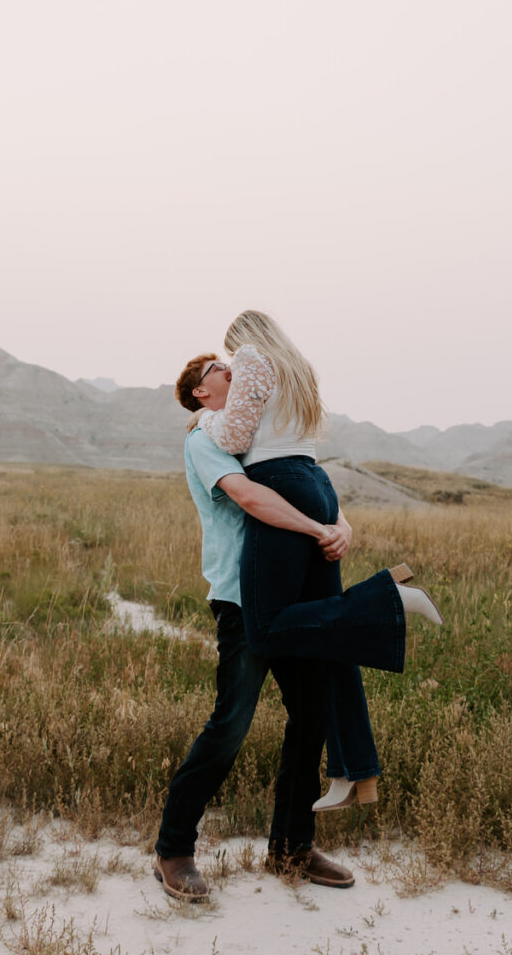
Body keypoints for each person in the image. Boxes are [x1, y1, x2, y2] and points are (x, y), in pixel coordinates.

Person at [197, 311, 443, 811]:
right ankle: (357, 772)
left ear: (242, 339)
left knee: (264, 630)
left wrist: (205, 418)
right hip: (315, 481)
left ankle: (387, 595)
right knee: (334, 640)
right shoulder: (297, 366)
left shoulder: (251, 357)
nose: (228, 362)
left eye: (228, 350)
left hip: (280, 482)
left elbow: (234, 438)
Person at [153, 353, 357, 901]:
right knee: (231, 723)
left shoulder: (252, 437)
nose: (230, 369)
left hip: (291, 596)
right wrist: (318, 529)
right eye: (218, 368)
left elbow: (303, 482)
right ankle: (172, 850)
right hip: (243, 603)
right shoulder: (204, 440)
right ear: (201, 392)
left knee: (311, 713)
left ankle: (291, 846)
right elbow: (250, 496)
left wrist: (341, 527)